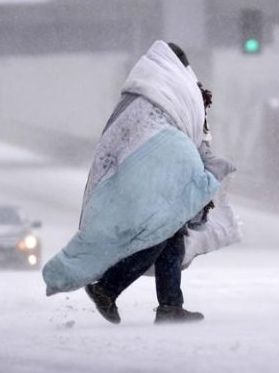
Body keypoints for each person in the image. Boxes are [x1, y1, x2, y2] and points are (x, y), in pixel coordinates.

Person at [42, 40, 239, 324]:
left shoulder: (140, 94)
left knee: (171, 234)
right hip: (149, 173)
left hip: (135, 173)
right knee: (160, 232)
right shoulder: (170, 91)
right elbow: (185, 131)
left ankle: (170, 305)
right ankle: (108, 288)